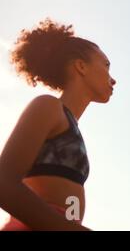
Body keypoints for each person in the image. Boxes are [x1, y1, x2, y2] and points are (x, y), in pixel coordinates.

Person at [0, 19, 116, 230]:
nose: (113, 79)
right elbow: (3, 183)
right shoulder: (48, 106)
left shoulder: (71, 127)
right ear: (81, 66)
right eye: (106, 66)